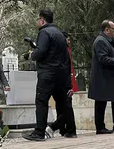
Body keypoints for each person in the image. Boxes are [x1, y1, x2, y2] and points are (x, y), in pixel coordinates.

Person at [23, 9, 76, 140]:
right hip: (61, 75)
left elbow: (40, 52)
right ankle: (69, 129)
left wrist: (31, 55)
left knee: (41, 101)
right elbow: (66, 58)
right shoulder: (59, 34)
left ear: (42, 20)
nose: (37, 22)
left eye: (38, 19)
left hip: (47, 73)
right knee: (63, 104)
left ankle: (39, 132)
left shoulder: (44, 32)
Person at [88, 20, 114, 134]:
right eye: (113, 29)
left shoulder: (110, 41)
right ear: (106, 30)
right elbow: (103, 59)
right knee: (101, 102)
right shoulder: (100, 41)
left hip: (111, 77)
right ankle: (100, 127)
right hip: (102, 77)